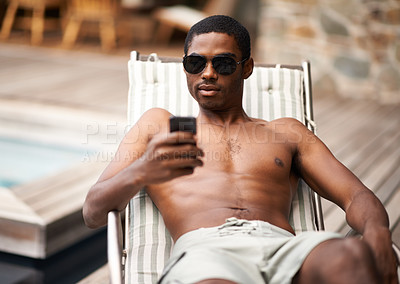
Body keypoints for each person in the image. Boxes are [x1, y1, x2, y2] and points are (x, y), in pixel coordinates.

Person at [83, 15, 398, 284]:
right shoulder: (159, 126)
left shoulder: (285, 131)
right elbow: (93, 211)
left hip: (284, 248)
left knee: (354, 256)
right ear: (185, 68)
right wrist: (142, 171)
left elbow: (355, 195)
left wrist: (378, 232)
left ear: (246, 68)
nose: (208, 73)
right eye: (195, 63)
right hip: (206, 253)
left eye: (222, 63)